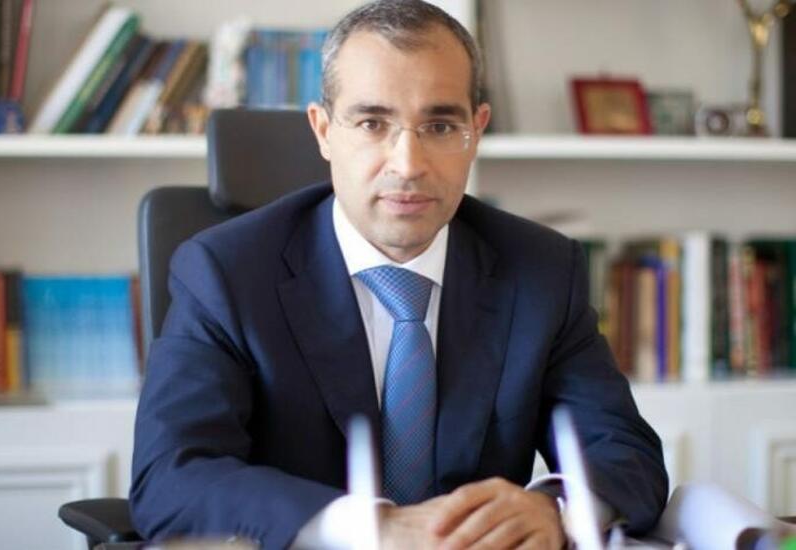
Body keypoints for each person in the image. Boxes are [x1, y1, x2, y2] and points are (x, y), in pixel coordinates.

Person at [129, 1, 668, 548]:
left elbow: (625, 453)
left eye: (440, 125)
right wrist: (373, 529)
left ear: (476, 131)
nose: (408, 164)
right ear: (323, 130)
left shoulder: (542, 271)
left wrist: (553, 509)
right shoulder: (225, 273)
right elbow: (171, 478)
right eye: (372, 123)